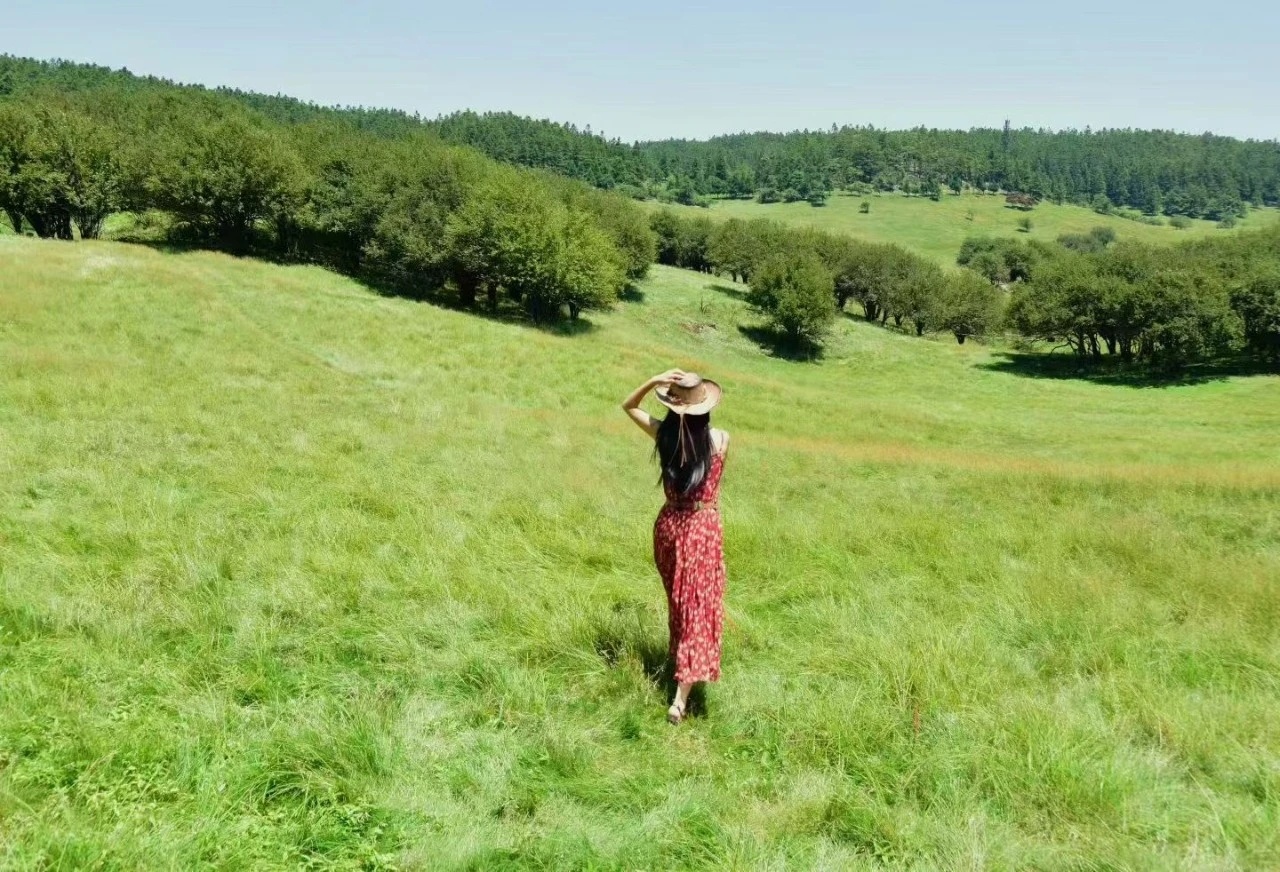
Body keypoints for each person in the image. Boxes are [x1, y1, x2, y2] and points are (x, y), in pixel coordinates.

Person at [621, 369, 728, 725]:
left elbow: (628, 405)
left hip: (669, 528)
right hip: (701, 529)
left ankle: (681, 669)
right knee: (696, 609)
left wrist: (654, 381)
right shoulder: (720, 439)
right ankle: (680, 697)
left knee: (681, 606)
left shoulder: (663, 434)